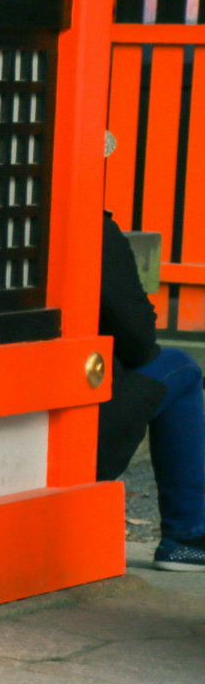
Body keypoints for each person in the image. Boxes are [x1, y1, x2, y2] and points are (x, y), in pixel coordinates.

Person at [99, 213, 205, 570]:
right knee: (181, 368)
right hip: (68, 429)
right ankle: (187, 535)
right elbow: (139, 341)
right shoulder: (86, 223)